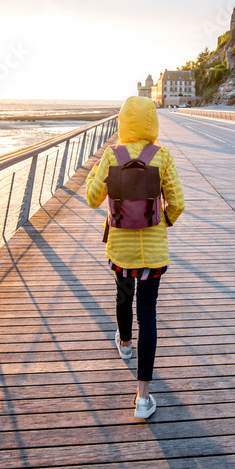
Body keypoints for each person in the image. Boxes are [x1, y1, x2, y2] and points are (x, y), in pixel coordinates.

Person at [85, 96, 185, 419]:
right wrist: (163, 222)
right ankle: (143, 398)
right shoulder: (163, 156)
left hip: (121, 250)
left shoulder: (112, 155)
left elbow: (91, 198)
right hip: (153, 253)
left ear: (122, 123)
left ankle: (125, 344)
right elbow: (177, 203)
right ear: (153, 121)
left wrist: (94, 176)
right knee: (149, 314)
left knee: (122, 296)